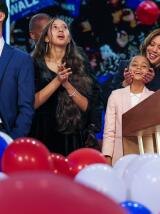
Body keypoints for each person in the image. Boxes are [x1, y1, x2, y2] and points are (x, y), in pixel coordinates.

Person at [29, 18, 99, 155]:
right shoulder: (33, 63)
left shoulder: (80, 63)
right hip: (42, 133)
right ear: (46, 38)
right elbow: (31, 103)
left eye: (65, 27)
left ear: (68, 38)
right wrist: (57, 80)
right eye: (55, 27)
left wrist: (67, 84)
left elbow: (87, 107)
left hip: (73, 136)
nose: (61, 30)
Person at [102, 55, 154, 165]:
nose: (139, 68)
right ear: (127, 69)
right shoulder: (115, 95)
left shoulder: (153, 97)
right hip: (119, 156)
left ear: (149, 72)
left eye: (143, 66)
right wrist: (107, 157)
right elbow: (109, 132)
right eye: (134, 65)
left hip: (145, 157)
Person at [0, 1, 35, 139]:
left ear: (1, 15)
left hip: (4, 135)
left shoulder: (21, 60)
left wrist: (13, 141)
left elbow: (26, 108)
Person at [112, 28, 160, 92]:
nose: (154, 50)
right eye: (152, 44)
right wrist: (126, 83)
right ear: (146, 46)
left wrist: (150, 83)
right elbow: (109, 98)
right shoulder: (125, 66)